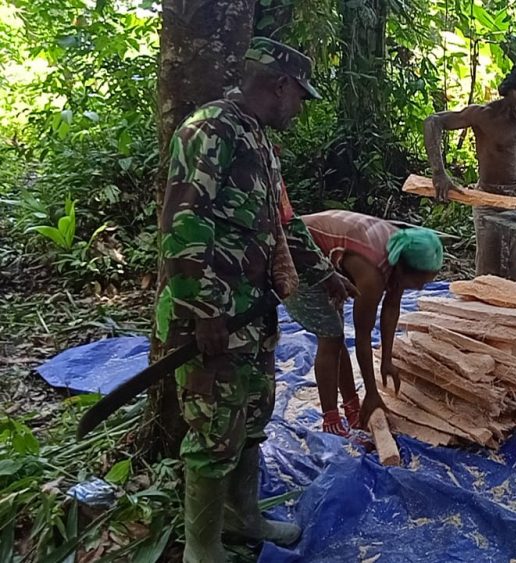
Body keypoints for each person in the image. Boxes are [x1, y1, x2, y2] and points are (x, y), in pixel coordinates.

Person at [157, 36, 326, 561]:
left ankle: (243, 518)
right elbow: (182, 225)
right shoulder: (210, 130)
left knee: (251, 416)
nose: (300, 109)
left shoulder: (259, 139)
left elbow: (282, 221)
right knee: (212, 433)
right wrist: (204, 309)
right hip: (209, 316)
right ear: (279, 86)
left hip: (252, 312)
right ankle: (201, 550)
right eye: (300, 97)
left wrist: (321, 273)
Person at [282, 210, 442, 436]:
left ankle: (352, 407)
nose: (419, 289)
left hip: (329, 260)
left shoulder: (401, 250)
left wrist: (387, 361)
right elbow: (363, 336)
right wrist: (372, 391)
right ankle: (331, 420)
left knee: (335, 333)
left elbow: (392, 306)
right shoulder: (372, 275)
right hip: (296, 255)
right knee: (330, 337)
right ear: (404, 269)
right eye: (418, 282)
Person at [423, 60, 516, 281]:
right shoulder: (485, 115)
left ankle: (512, 314)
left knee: (514, 271)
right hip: (489, 202)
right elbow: (433, 122)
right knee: (489, 278)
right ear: (509, 90)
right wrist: (438, 173)